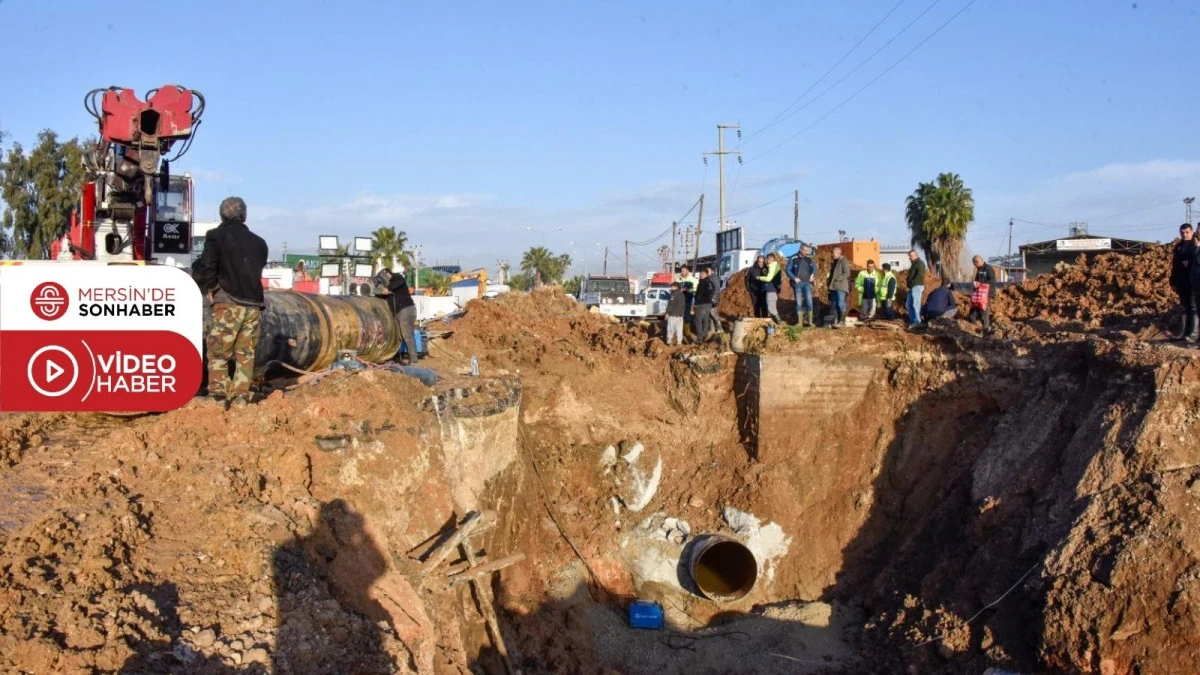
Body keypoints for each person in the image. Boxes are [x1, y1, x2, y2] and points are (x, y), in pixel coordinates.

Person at [192, 196, 269, 408]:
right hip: (254, 304)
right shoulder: (260, 243)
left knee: (218, 350)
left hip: (228, 303)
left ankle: (218, 395)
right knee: (246, 352)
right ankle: (241, 396)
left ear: (221, 215)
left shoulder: (216, 236)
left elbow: (207, 268)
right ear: (244, 215)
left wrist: (207, 287)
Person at [377, 267, 419, 362]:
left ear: (387, 274)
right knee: (398, 335)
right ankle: (397, 358)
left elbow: (394, 285)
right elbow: (383, 295)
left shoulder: (397, 277)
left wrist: (386, 289)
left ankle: (413, 359)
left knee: (407, 335)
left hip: (406, 309)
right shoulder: (389, 285)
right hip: (398, 312)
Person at [1170, 223, 1197, 341]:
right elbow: (1175, 265)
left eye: (1187, 232)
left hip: (1193, 281)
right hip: (1181, 282)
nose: (1184, 235)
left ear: (1192, 232)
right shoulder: (1179, 247)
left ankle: (1193, 334)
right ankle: (1183, 332)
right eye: (1182, 233)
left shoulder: (1195, 245)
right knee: (1184, 307)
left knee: (1193, 307)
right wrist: (1173, 281)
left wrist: (1188, 264)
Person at [787, 245, 818, 327]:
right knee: (799, 303)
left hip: (807, 283)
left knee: (809, 302)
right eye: (805, 250)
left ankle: (810, 322)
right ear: (800, 250)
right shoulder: (793, 258)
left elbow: (814, 268)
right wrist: (794, 278)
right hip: (797, 284)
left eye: (807, 250)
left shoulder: (809, 259)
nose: (806, 252)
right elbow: (788, 270)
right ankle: (799, 322)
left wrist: (812, 275)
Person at [967, 255, 997, 334]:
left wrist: (980, 284)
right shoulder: (979, 270)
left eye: (974, 264)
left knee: (984, 311)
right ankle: (976, 330)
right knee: (972, 314)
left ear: (977, 262)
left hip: (986, 294)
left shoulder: (988, 269)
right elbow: (977, 281)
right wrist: (975, 285)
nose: (974, 266)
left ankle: (986, 330)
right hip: (978, 294)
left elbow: (992, 281)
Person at [827, 247, 851, 327]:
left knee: (841, 303)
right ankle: (837, 320)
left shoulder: (843, 261)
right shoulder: (834, 262)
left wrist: (838, 279)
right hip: (833, 287)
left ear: (838, 253)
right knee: (836, 304)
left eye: (833, 253)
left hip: (840, 287)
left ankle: (842, 321)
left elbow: (847, 273)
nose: (832, 255)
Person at [757, 253, 783, 323]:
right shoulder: (772, 266)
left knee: (771, 309)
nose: (765, 260)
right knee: (772, 308)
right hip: (772, 289)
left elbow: (768, 278)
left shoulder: (772, 267)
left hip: (771, 290)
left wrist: (760, 277)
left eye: (766, 259)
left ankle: (779, 322)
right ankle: (777, 323)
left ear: (770, 259)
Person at [905, 250, 928, 327]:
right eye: (909, 256)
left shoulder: (920, 264)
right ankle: (913, 320)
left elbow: (920, 275)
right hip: (912, 287)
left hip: (917, 286)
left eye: (910, 256)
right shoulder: (914, 264)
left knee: (916, 304)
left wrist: (912, 283)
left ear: (916, 255)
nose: (909, 258)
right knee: (909, 304)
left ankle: (917, 321)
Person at [693, 268, 715, 343]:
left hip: (701, 304)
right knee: (705, 320)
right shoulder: (710, 283)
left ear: (705, 274)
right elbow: (713, 291)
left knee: (698, 320)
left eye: (701, 274)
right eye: (700, 274)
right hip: (708, 303)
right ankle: (705, 335)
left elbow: (699, 294)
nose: (700, 275)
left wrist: (696, 303)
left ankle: (700, 338)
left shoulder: (702, 282)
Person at [704, 266, 724, 335]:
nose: (707, 272)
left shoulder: (714, 278)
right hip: (708, 298)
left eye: (708, 270)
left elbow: (717, 288)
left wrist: (714, 297)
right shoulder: (709, 278)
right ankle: (712, 329)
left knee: (713, 313)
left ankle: (720, 328)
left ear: (712, 271)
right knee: (710, 314)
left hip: (713, 298)